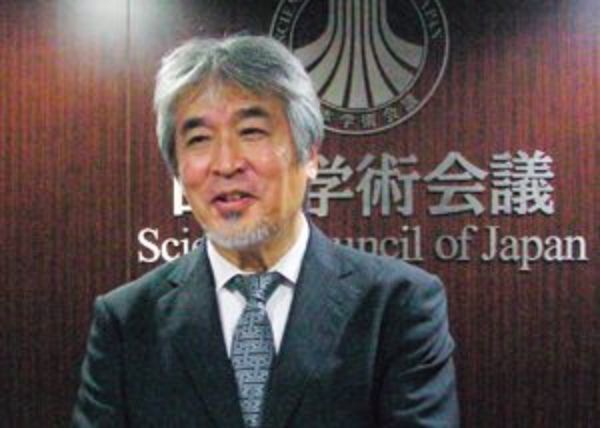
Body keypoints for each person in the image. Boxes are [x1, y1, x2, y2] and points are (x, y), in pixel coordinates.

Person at [72, 35, 459, 427]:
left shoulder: (397, 305)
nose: (226, 164)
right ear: (177, 170)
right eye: (199, 139)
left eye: (252, 131)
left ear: (310, 154)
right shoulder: (127, 321)